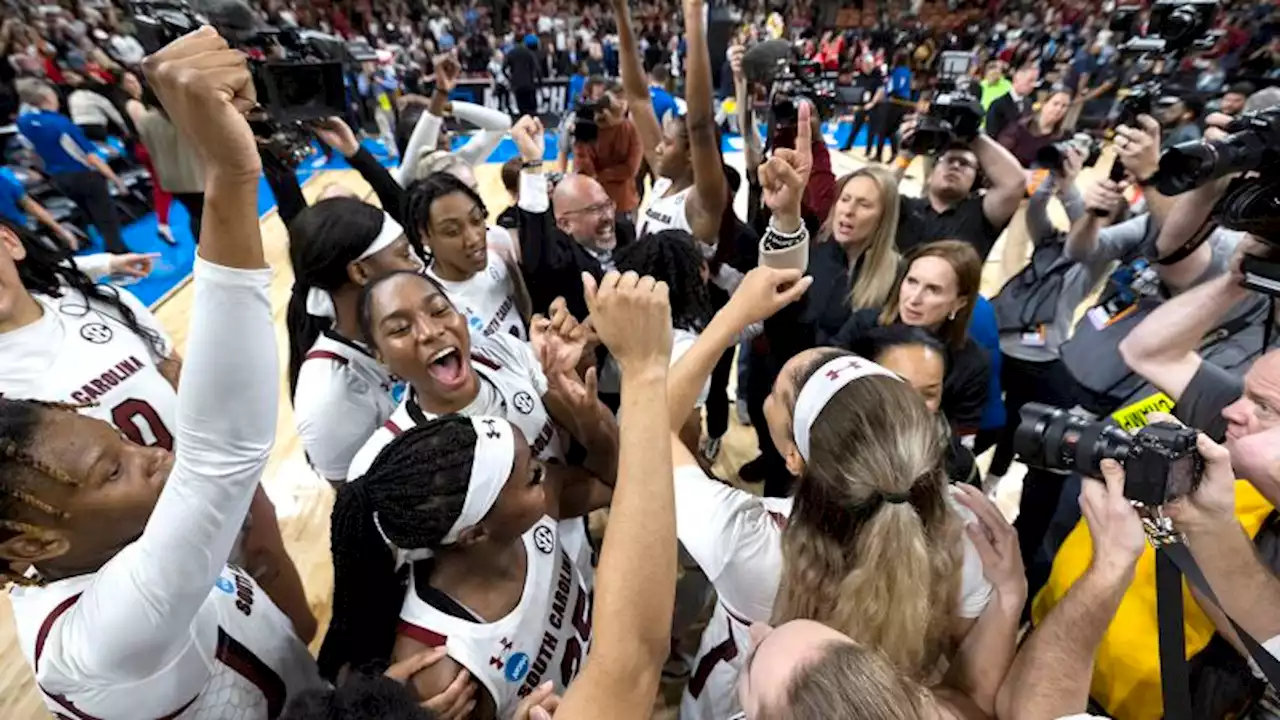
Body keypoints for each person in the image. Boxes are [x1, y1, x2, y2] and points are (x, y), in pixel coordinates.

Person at [2, 28, 325, 717]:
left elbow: (186, 400)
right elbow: (218, 453)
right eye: (111, 470)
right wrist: (231, 175)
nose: (150, 453)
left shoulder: (81, 307)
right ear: (34, 540)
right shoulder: (93, 647)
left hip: (227, 554)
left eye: (120, 444)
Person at [344, 270, 618, 484]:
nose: (429, 331)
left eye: (439, 310)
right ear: (379, 355)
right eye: (400, 329)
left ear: (462, 318)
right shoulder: (389, 458)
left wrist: (567, 377)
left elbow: (603, 449)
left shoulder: (504, 352)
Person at [286, 198, 424, 485]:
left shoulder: (421, 325)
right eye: (404, 254)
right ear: (360, 272)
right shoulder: (328, 396)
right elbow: (359, 507)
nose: (418, 264)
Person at [833, 240, 990, 439]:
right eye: (912, 281)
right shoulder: (863, 327)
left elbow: (960, 441)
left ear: (959, 303)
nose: (914, 298)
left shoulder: (972, 364)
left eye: (933, 289)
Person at [614, 0, 727, 246]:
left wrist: (694, 15)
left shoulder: (702, 202)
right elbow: (638, 99)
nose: (657, 148)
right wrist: (621, 12)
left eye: (667, 143)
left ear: (690, 155)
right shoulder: (664, 182)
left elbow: (700, 126)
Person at [511, 116, 638, 321]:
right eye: (595, 209)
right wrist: (533, 163)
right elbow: (537, 239)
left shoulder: (625, 232)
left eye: (607, 205)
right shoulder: (560, 263)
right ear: (565, 224)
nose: (607, 216)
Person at [16, 80, 130, 255]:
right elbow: (89, 156)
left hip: (59, 178)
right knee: (106, 217)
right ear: (47, 97)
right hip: (83, 174)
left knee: (90, 214)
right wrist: (115, 179)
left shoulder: (25, 123)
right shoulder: (61, 124)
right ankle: (118, 252)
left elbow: (32, 152)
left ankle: (106, 249)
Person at [895, 119, 1026, 261]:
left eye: (965, 164)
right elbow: (876, 193)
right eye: (949, 161)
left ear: (975, 179)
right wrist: (904, 156)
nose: (955, 166)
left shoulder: (982, 214)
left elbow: (1015, 183)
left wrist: (973, 134)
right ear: (930, 174)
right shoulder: (906, 207)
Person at [996, 87, 1072, 168]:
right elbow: (999, 154)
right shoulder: (1020, 127)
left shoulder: (1062, 138)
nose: (1059, 109)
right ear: (1044, 104)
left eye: (1064, 106)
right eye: (1055, 104)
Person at [985, 64, 1038, 139]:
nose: (1033, 85)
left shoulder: (1028, 103)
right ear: (1016, 79)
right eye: (1030, 80)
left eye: (1035, 81)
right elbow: (991, 136)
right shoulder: (998, 105)